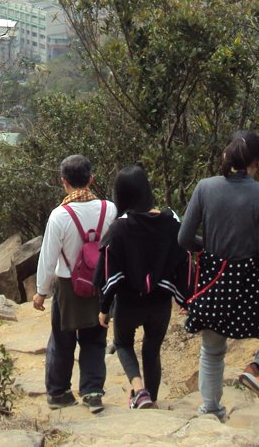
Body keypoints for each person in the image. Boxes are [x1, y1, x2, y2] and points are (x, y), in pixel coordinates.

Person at [178, 130, 259, 421]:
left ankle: (210, 410)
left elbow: (183, 238)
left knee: (212, 349)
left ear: (226, 155)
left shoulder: (205, 188)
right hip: (249, 283)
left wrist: (211, 248)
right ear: (257, 162)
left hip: (214, 280)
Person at [93, 164, 189, 409]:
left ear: (120, 195)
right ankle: (152, 399)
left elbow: (106, 271)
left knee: (123, 343)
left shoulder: (119, 228)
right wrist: (185, 298)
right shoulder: (171, 221)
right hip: (160, 302)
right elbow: (183, 258)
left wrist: (104, 307)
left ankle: (138, 390)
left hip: (128, 301)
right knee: (152, 350)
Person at [33, 154, 118, 413]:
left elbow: (48, 257)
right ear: (91, 179)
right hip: (100, 285)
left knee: (62, 339)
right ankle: (92, 392)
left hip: (69, 286)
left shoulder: (60, 215)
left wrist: (41, 292)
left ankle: (59, 392)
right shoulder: (109, 209)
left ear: (64, 183)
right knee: (95, 338)